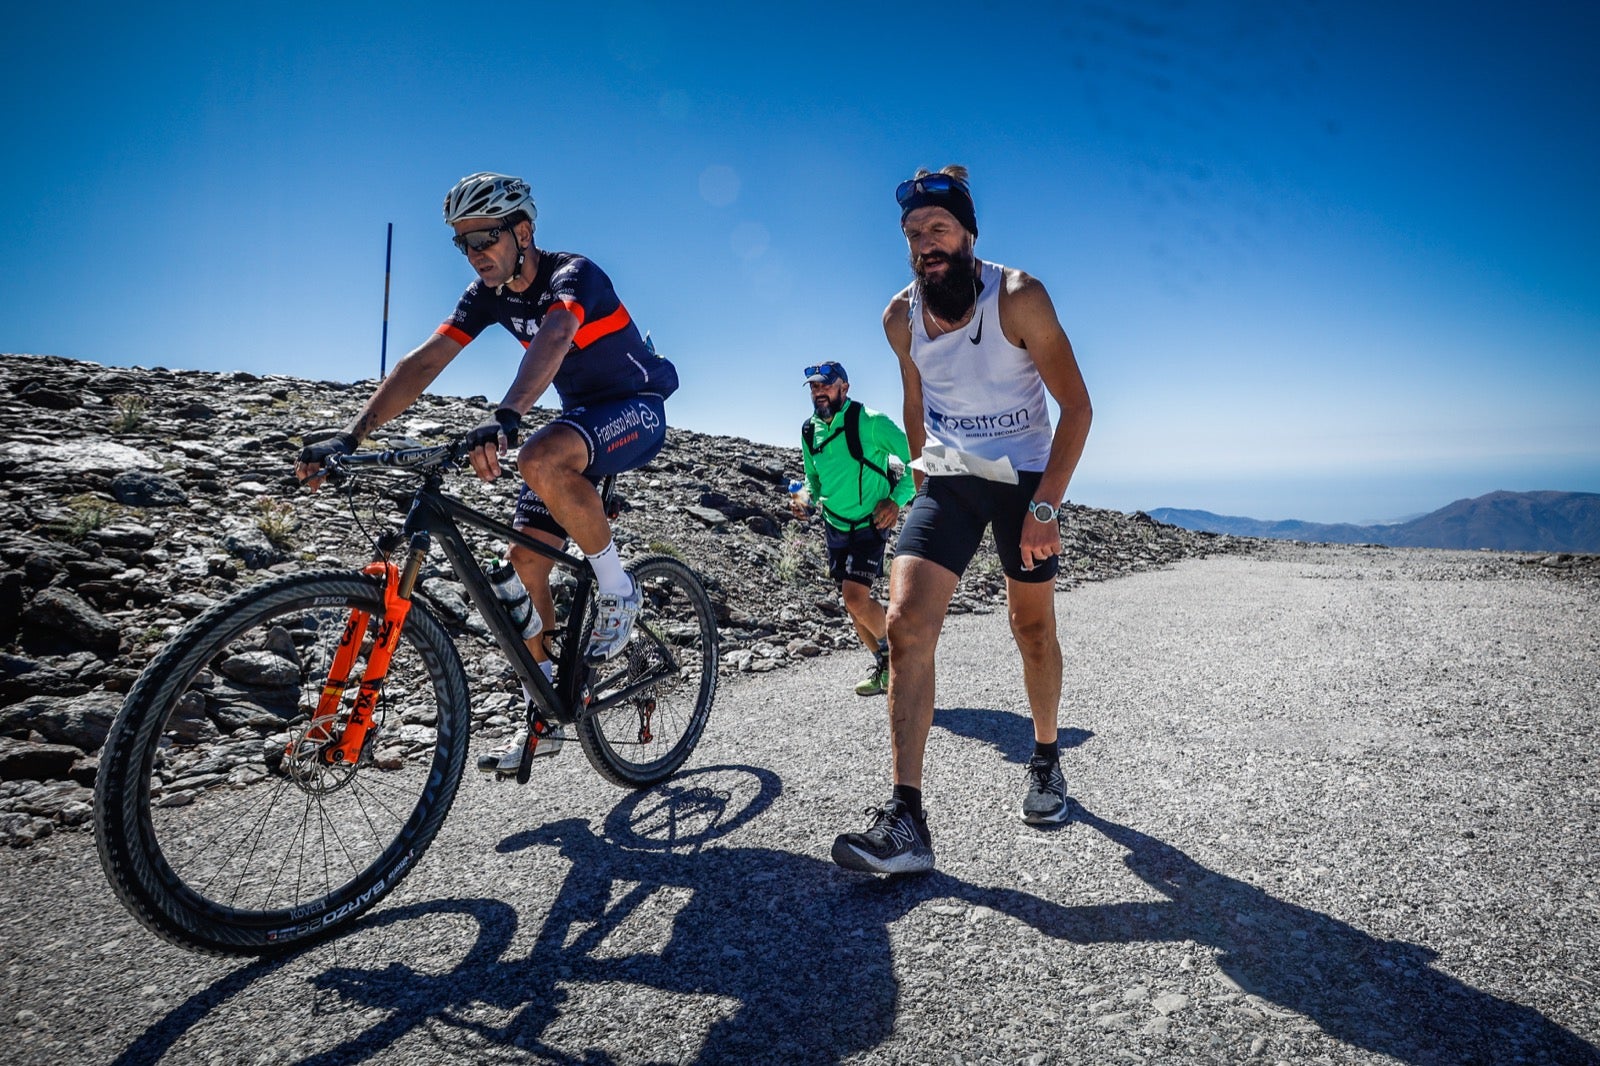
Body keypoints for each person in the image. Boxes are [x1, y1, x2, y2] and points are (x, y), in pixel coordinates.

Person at [295, 171, 678, 774]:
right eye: (464, 244)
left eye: (487, 239)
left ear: (523, 230)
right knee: (521, 569)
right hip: (580, 419)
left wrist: (507, 415)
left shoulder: (574, 274)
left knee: (538, 455)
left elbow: (555, 336)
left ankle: (619, 586)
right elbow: (425, 361)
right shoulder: (487, 296)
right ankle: (548, 709)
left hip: (635, 408)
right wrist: (352, 434)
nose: (475, 256)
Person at [831, 166, 1093, 875]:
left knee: (1031, 629)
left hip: (1025, 481)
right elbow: (916, 399)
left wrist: (1045, 507)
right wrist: (919, 470)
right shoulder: (899, 317)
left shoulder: (1018, 298)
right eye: (914, 234)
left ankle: (1045, 758)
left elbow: (1078, 407)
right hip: (949, 479)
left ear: (969, 233)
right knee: (907, 627)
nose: (926, 244)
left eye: (938, 229)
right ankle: (906, 821)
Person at [793, 360, 915, 697]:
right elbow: (812, 479)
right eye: (815, 387)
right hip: (834, 526)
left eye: (826, 385)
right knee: (852, 605)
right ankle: (885, 665)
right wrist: (804, 499)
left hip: (870, 524)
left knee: (854, 597)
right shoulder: (809, 431)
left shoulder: (871, 423)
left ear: (844, 388)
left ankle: (900, 659)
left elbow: (918, 462)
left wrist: (895, 501)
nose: (819, 392)